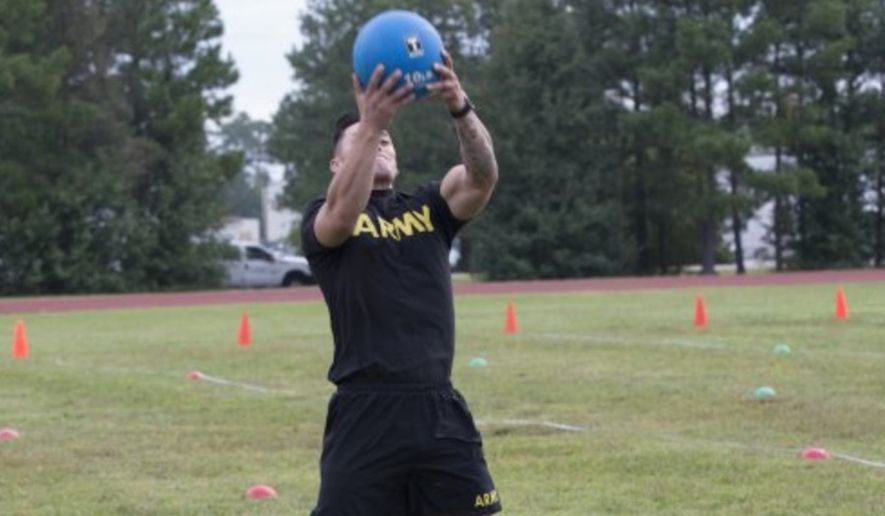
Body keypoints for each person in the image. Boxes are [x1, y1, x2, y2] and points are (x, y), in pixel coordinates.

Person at [302, 52, 501, 516]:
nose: (380, 142)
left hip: (437, 408)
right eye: (367, 142)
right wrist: (369, 125)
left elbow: (483, 176)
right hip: (365, 413)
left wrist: (459, 105)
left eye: (387, 139)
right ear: (337, 165)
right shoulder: (323, 217)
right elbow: (342, 215)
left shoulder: (430, 206)